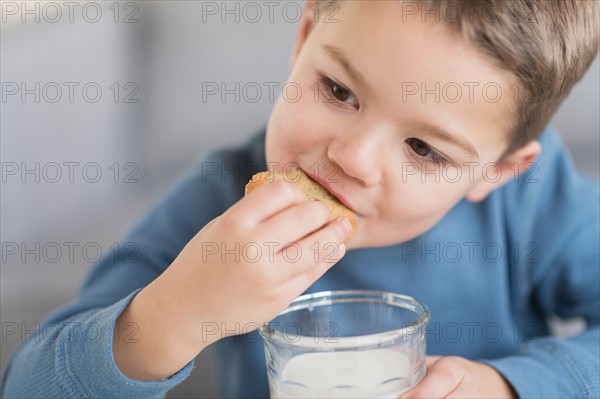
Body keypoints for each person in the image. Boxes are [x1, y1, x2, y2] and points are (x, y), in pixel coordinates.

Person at [2, 0, 599, 397]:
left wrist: (512, 386)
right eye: (338, 89)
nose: (352, 158)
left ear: (497, 171)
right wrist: (177, 313)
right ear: (305, 36)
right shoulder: (218, 202)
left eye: (424, 148)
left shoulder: (532, 206)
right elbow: (28, 384)